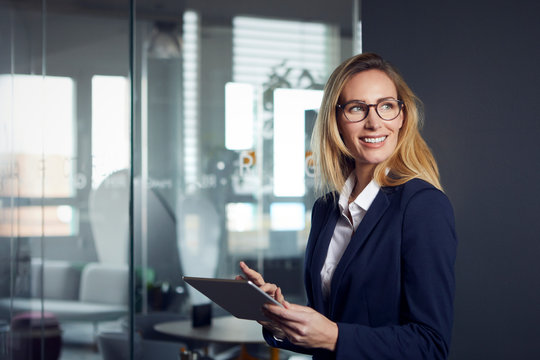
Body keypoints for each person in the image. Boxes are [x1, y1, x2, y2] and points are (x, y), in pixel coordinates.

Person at [237, 52, 457, 359]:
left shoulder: (422, 207)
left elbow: (430, 345)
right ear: (336, 121)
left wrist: (334, 336)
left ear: (402, 116)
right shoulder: (325, 209)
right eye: (357, 108)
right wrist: (278, 317)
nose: (374, 122)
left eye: (386, 106)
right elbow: (324, 327)